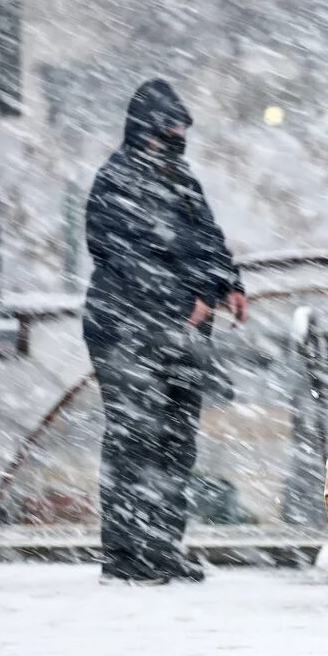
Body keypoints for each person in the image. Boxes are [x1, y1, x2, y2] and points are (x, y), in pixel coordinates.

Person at [83, 79, 248, 585]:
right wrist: (184, 302)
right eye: (167, 130)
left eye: (179, 130)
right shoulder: (116, 181)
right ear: (145, 129)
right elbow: (121, 256)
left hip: (178, 334)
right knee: (136, 440)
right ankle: (127, 554)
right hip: (127, 331)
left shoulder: (181, 179)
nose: (175, 138)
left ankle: (160, 548)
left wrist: (228, 283)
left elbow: (207, 240)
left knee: (175, 443)